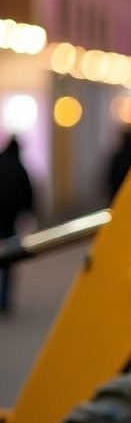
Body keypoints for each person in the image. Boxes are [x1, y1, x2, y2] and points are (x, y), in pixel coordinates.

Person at [0, 134, 35, 313]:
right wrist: (29, 212)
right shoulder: (19, 167)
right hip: (10, 220)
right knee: (8, 259)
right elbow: (28, 193)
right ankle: (4, 299)